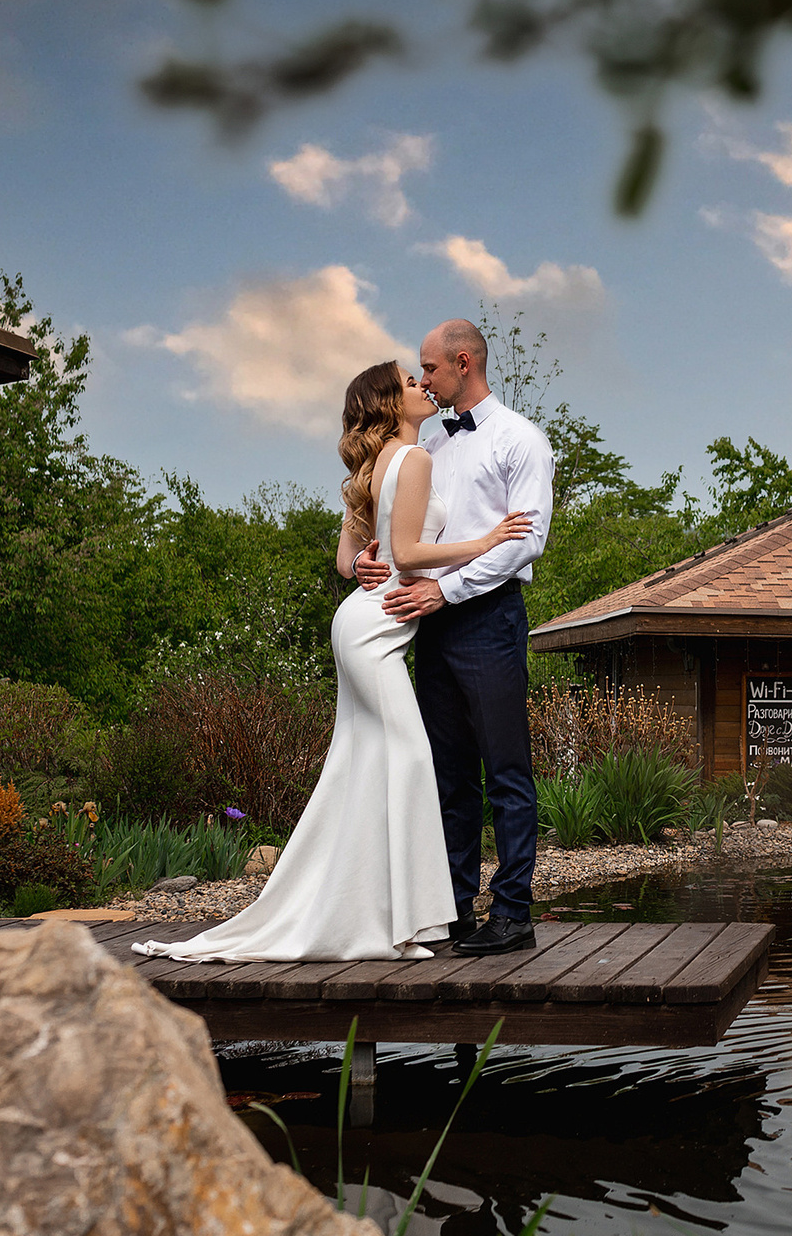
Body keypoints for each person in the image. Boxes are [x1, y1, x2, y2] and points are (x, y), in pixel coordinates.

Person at [133, 359, 532, 962]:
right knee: (410, 764)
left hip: (365, 619)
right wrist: (485, 539)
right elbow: (405, 550)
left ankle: (389, 914)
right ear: (390, 405)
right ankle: (406, 921)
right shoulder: (416, 459)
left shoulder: (374, 466)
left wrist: (365, 561)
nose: (421, 385)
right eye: (408, 381)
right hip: (377, 628)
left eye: (424, 374)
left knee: (365, 765)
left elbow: (349, 558)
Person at [377, 318, 555, 955]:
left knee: (506, 769)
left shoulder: (521, 440)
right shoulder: (432, 448)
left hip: (488, 618)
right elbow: (414, 538)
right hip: (431, 622)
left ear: (461, 362)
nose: (422, 380)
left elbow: (525, 542)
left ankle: (512, 913)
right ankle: (453, 909)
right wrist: (382, 561)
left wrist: (445, 589)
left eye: (428, 368)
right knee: (447, 775)